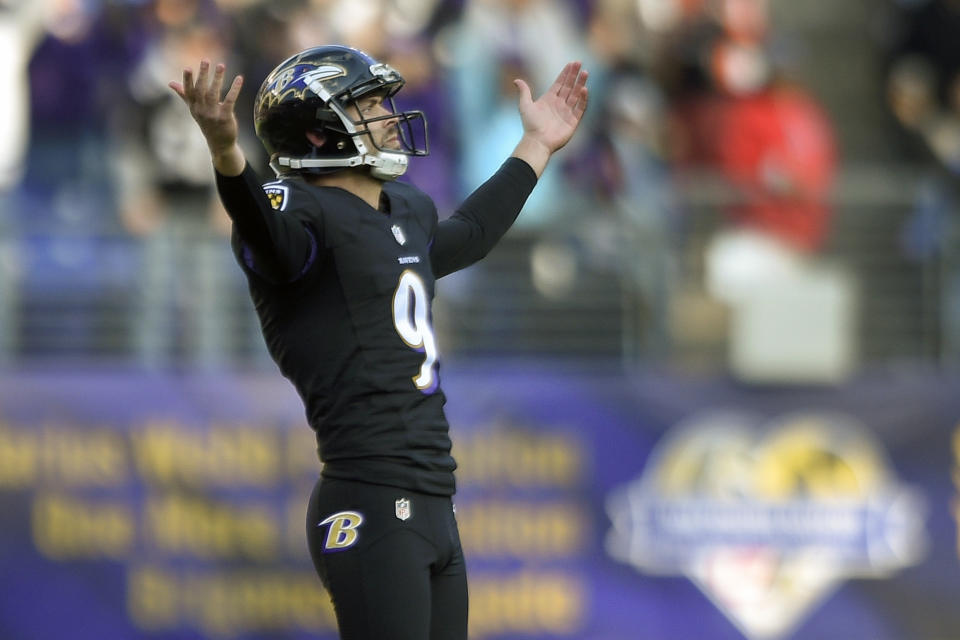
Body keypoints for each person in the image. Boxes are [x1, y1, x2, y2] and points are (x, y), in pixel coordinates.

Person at [169, 45, 587, 639]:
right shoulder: (299, 209)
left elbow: (468, 235)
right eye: (367, 105)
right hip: (368, 493)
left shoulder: (405, 208)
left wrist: (535, 147)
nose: (389, 115)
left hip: (434, 493)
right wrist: (227, 155)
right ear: (318, 134)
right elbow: (263, 228)